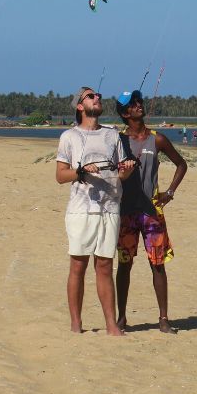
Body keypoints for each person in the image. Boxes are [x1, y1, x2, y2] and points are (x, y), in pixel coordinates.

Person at [55, 86, 135, 335]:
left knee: (104, 266)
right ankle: (76, 323)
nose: (97, 98)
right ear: (80, 106)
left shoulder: (112, 135)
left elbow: (120, 174)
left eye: (97, 96)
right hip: (81, 210)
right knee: (78, 266)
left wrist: (128, 170)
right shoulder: (69, 136)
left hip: (110, 208)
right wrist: (81, 171)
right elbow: (60, 175)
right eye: (91, 96)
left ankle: (111, 325)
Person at [113, 89, 187, 334]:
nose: (138, 106)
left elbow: (181, 164)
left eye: (139, 102)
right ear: (125, 113)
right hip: (126, 211)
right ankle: (121, 318)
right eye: (132, 104)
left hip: (152, 212)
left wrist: (170, 192)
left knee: (158, 264)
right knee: (124, 264)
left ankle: (164, 319)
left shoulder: (157, 139)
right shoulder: (118, 141)